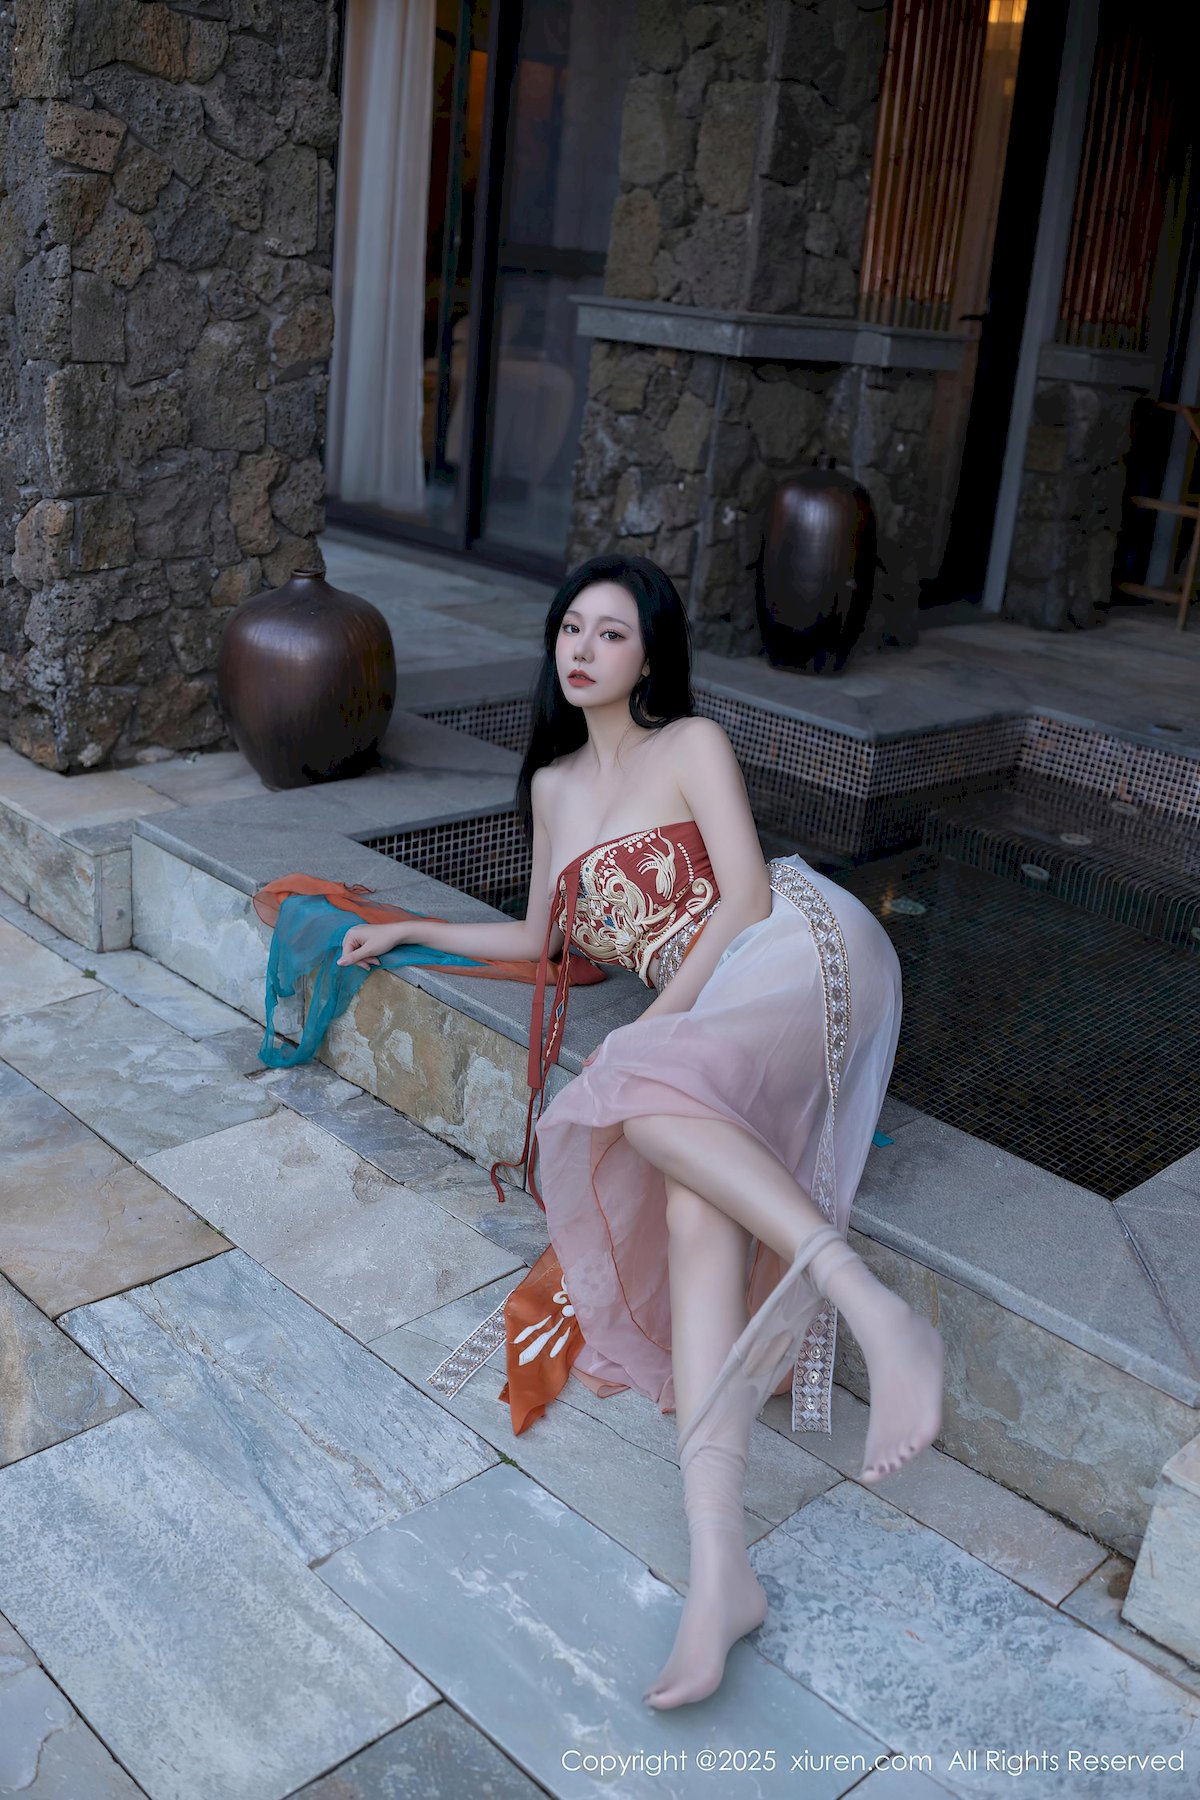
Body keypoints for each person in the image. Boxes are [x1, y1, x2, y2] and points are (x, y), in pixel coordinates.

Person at [337, 553, 944, 1711]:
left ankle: (870, 1307)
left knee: (640, 1092)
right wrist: (409, 926)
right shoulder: (554, 784)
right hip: (712, 1009)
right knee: (688, 1199)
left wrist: (652, 1033)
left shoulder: (690, 745)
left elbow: (748, 900)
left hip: (804, 950)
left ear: (650, 655)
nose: (583, 649)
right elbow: (540, 939)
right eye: (572, 628)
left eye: (611, 633)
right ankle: (721, 1572)